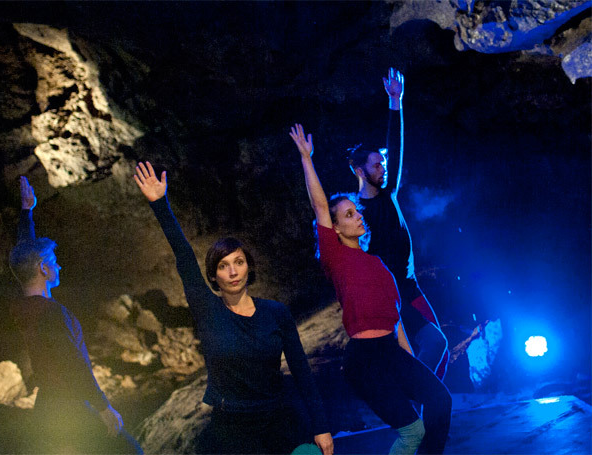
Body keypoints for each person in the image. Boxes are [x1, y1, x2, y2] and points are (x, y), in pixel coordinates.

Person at [133, 161, 333, 455]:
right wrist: (160, 205)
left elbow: (301, 370)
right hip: (232, 428)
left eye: (239, 262)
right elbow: (185, 259)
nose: (233, 271)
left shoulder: (276, 313)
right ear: (213, 276)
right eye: (223, 266)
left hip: (278, 419)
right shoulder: (208, 309)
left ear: (249, 267)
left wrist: (321, 425)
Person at [290, 124, 451, 454]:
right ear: (335, 228)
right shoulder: (337, 257)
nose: (357, 217)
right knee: (412, 432)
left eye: (356, 212)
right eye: (348, 215)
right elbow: (321, 206)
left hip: (391, 351)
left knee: (440, 400)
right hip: (364, 360)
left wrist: (412, 367)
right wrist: (307, 159)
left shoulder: (380, 267)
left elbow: (397, 322)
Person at [8, 176, 143, 454]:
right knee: (131, 452)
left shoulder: (23, 307)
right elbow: (74, 364)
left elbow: (25, 255)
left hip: (47, 404)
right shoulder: (52, 314)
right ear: (43, 269)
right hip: (70, 404)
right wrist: (104, 407)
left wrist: (26, 212)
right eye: (54, 263)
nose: (59, 267)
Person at [347, 69, 449, 379]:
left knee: (439, 349)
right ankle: (417, 406)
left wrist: (396, 102)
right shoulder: (357, 210)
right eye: (377, 165)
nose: (383, 168)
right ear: (361, 171)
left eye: (384, 164)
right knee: (430, 346)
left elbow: (397, 146)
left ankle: (425, 408)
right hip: (391, 293)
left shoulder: (389, 192)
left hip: (411, 285)